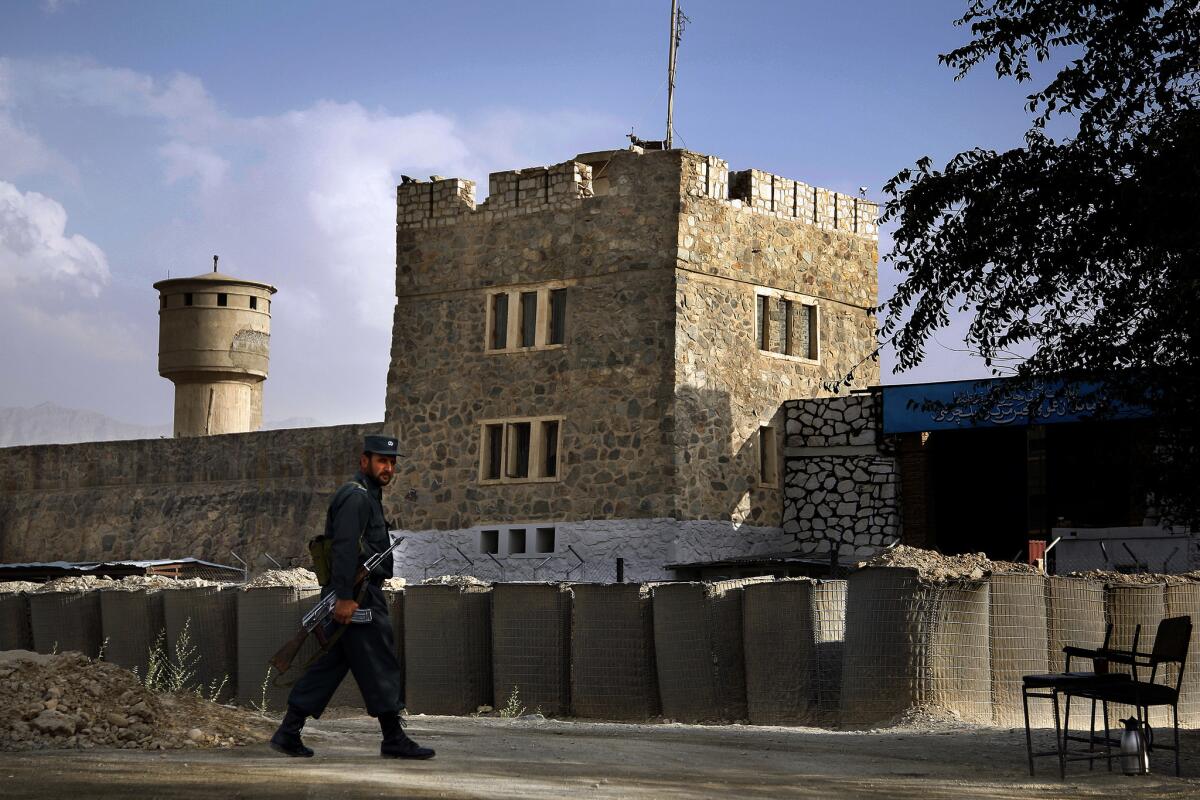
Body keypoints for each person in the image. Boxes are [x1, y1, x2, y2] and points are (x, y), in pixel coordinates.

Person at [270, 434, 434, 760]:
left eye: (391, 463)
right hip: (356, 595)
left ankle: (288, 732)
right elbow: (344, 548)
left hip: (355, 592)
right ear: (365, 462)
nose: (388, 467)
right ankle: (393, 738)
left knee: (331, 664)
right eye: (381, 461)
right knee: (381, 662)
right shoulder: (357, 498)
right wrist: (344, 597)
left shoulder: (368, 496)